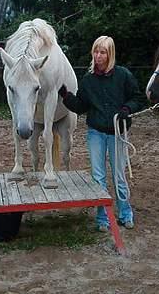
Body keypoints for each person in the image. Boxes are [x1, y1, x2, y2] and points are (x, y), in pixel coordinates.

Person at [58, 36, 146, 232]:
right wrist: (66, 96)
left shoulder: (123, 75)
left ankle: (125, 212)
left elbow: (137, 97)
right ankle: (103, 217)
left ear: (110, 54)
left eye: (103, 52)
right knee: (98, 177)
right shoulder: (88, 81)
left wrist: (127, 108)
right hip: (96, 132)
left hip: (117, 132)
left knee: (118, 175)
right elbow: (81, 106)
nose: (98, 56)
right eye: (96, 51)